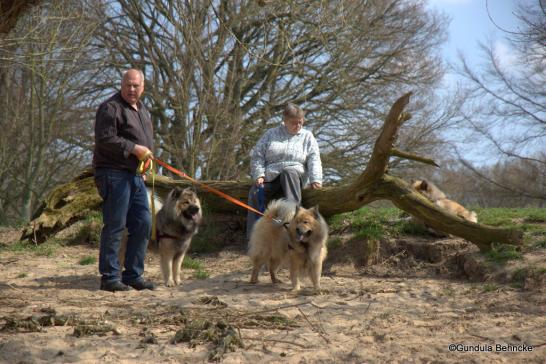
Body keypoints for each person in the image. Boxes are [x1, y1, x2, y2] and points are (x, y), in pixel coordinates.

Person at [93, 69, 156, 292]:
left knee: (143, 223)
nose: (131, 89)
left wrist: (145, 163)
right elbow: (105, 139)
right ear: (122, 85)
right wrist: (134, 149)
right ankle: (110, 277)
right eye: (128, 85)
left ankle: (133, 275)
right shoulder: (110, 108)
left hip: (136, 176)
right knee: (115, 224)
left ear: (143, 87)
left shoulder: (144, 110)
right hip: (113, 173)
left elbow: (146, 141)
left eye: (136, 86)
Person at [246, 103, 323, 239]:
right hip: (271, 175)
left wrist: (315, 179)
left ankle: (294, 227)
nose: (298, 125)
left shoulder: (307, 136)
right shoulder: (270, 134)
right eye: (294, 123)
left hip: (294, 175)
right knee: (256, 191)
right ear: (285, 120)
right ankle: (254, 236)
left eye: (301, 122)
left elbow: (314, 158)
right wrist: (259, 175)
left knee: (289, 172)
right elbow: (257, 156)